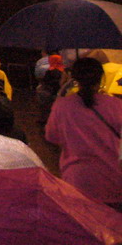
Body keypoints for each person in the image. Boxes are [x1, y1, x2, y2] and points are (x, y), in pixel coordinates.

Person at [45, 57, 122, 209]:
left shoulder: (62, 106)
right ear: (101, 78)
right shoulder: (116, 105)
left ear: (74, 78)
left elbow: (51, 136)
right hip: (113, 180)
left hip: (76, 181)